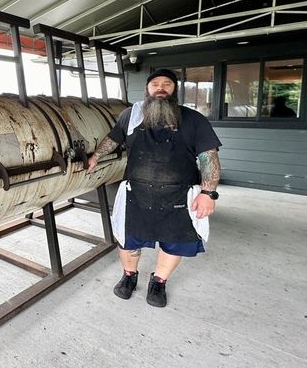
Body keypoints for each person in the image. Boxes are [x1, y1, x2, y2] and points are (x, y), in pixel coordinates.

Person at [86, 69, 222, 307]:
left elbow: (208, 157)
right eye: (155, 84)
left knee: (174, 243)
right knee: (128, 241)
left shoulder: (194, 120)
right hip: (135, 194)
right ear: (147, 90)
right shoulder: (131, 116)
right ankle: (129, 276)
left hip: (179, 196)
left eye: (167, 84)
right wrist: (96, 156)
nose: (160, 88)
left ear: (174, 90)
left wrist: (208, 193)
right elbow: (113, 138)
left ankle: (159, 281)